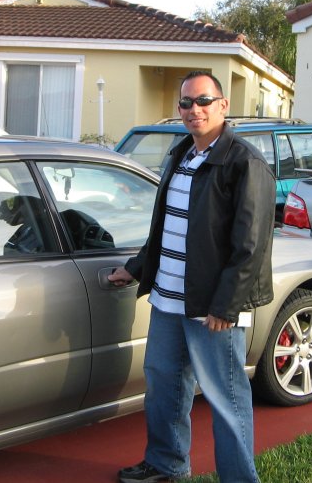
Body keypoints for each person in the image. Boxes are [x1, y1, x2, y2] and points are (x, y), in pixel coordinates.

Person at [109, 70, 275, 483]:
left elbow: (251, 245)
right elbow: (167, 227)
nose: (194, 109)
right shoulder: (181, 154)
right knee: (163, 385)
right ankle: (167, 464)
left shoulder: (245, 162)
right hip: (167, 299)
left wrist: (226, 306)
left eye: (203, 101)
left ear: (223, 105)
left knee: (226, 398)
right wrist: (135, 268)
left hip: (211, 307)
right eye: (186, 102)